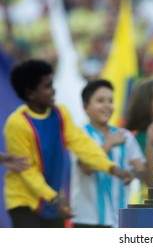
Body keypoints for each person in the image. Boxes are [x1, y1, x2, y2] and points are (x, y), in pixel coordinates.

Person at [3, 59, 133, 228]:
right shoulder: (16, 124)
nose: (54, 90)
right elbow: (27, 171)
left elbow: (82, 144)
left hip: (52, 200)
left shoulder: (60, 113)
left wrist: (111, 167)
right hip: (24, 200)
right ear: (30, 94)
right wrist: (54, 198)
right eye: (47, 86)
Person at [70, 79, 151, 228]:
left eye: (110, 101)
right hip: (87, 220)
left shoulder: (125, 136)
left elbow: (141, 172)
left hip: (119, 220)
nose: (107, 106)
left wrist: (137, 171)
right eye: (100, 101)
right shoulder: (79, 136)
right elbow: (86, 168)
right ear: (85, 106)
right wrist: (108, 144)